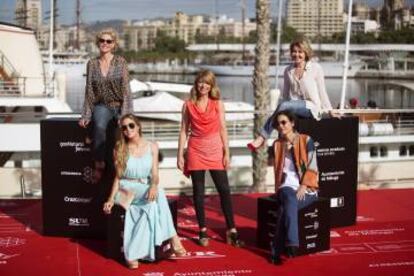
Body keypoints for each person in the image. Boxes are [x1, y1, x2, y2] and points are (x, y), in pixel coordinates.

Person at [103, 114, 186, 269]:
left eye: (131, 125)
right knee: (159, 193)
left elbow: (155, 174)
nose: (128, 130)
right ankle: (173, 238)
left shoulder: (152, 146)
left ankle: (133, 254)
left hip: (145, 187)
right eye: (124, 127)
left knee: (153, 204)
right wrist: (110, 199)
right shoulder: (120, 149)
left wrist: (154, 185)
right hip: (126, 190)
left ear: (138, 126)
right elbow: (118, 178)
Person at [177, 70, 243, 247]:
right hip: (195, 149)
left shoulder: (218, 104)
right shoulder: (188, 105)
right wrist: (179, 154)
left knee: (224, 189)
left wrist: (226, 152)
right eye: (200, 82)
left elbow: (223, 129)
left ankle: (231, 230)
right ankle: (202, 230)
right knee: (199, 192)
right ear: (196, 84)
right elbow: (184, 130)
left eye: (207, 83)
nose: (203, 86)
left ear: (211, 86)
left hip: (215, 149)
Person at [248, 37, 337, 151]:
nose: (297, 54)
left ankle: (262, 137)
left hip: (311, 108)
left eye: (300, 52)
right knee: (284, 107)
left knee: (284, 106)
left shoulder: (315, 68)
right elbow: (285, 95)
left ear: (306, 53)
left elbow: (322, 91)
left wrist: (330, 110)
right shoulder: (288, 71)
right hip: (293, 108)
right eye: (294, 51)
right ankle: (268, 139)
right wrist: (281, 113)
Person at [78, 28, 133, 182]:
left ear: (114, 44)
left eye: (109, 41)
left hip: (119, 105)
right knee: (100, 125)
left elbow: (126, 90)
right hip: (102, 105)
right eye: (102, 40)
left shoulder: (120, 62)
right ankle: (99, 163)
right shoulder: (92, 64)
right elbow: (89, 90)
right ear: (98, 43)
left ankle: (127, 171)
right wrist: (86, 115)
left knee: (124, 135)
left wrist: (126, 115)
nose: (105, 43)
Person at [269, 110, 319, 265]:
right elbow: (273, 167)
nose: (281, 126)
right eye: (278, 124)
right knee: (289, 198)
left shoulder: (306, 140)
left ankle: (276, 251)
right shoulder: (277, 145)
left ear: (292, 123)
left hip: (308, 188)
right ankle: (292, 243)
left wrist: (304, 185)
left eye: (284, 122)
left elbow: (312, 164)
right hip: (285, 187)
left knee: (286, 208)